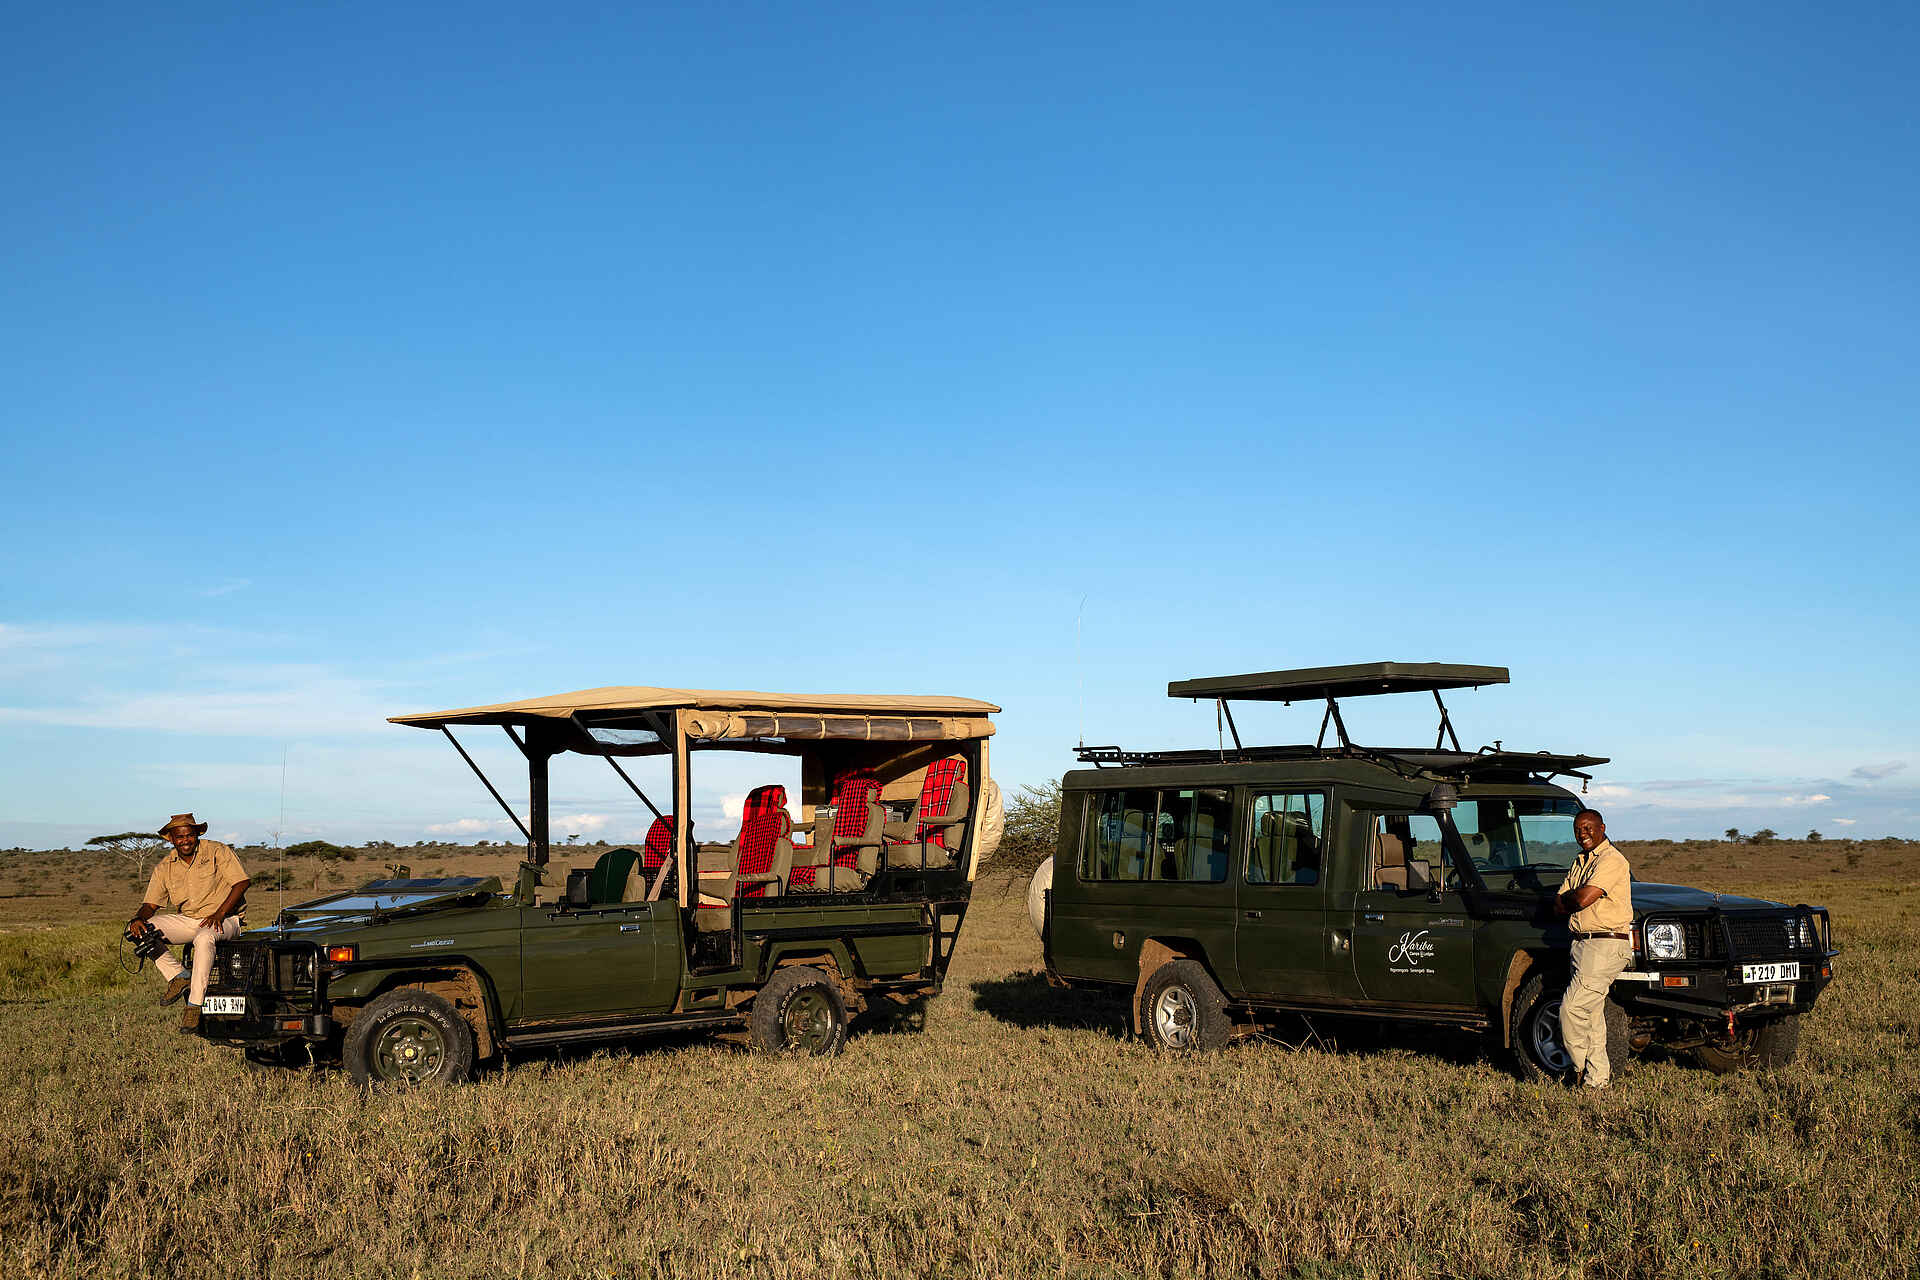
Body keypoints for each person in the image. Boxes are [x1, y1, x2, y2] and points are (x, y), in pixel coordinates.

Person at [126, 813, 250, 1033]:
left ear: (196, 834)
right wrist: (137, 919)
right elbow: (151, 904)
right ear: (171, 839)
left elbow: (241, 882)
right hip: (189, 920)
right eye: (180, 837)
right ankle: (178, 976)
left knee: (204, 937)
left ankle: (194, 1005)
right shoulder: (165, 866)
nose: (185, 840)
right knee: (139, 929)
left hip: (226, 920)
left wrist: (220, 914)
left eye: (189, 835)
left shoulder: (217, 851)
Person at [1553, 808, 1633, 1088]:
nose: (1582, 833)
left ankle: (1578, 1068)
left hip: (1605, 944)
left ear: (1602, 828)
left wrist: (1573, 898)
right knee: (1592, 1017)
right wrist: (1572, 899)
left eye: (1588, 828)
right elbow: (1559, 903)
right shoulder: (1581, 861)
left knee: (1571, 1009)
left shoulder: (1612, 860)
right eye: (1578, 829)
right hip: (1582, 944)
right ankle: (1596, 1081)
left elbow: (1582, 898)